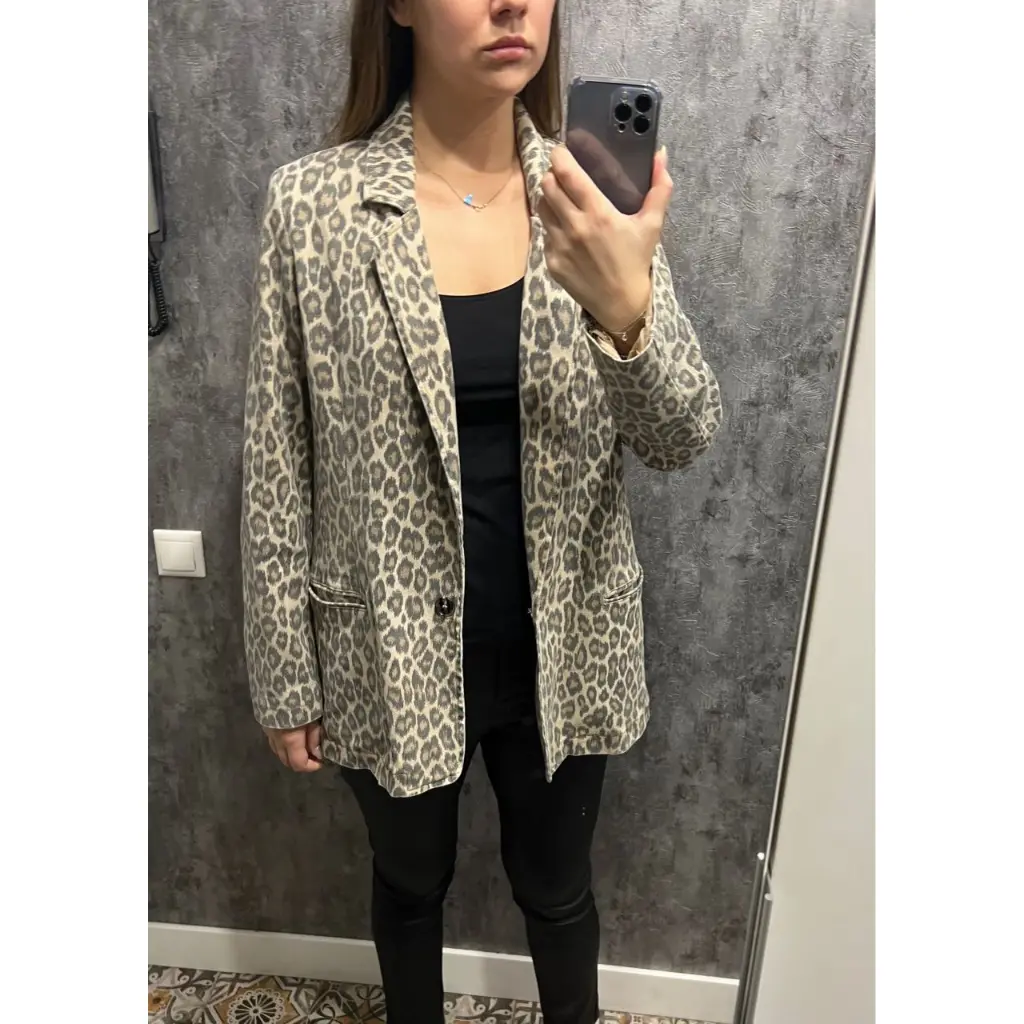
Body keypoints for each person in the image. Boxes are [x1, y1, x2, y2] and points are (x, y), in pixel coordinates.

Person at [240, 1, 722, 1021]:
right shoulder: (313, 207)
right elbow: (279, 459)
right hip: (387, 648)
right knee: (410, 883)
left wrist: (626, 307)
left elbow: (682, 435)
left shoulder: (589, 197)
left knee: (558, 888)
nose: (512, 3)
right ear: (400, 7)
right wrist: (284, 674)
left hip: (566, 646)